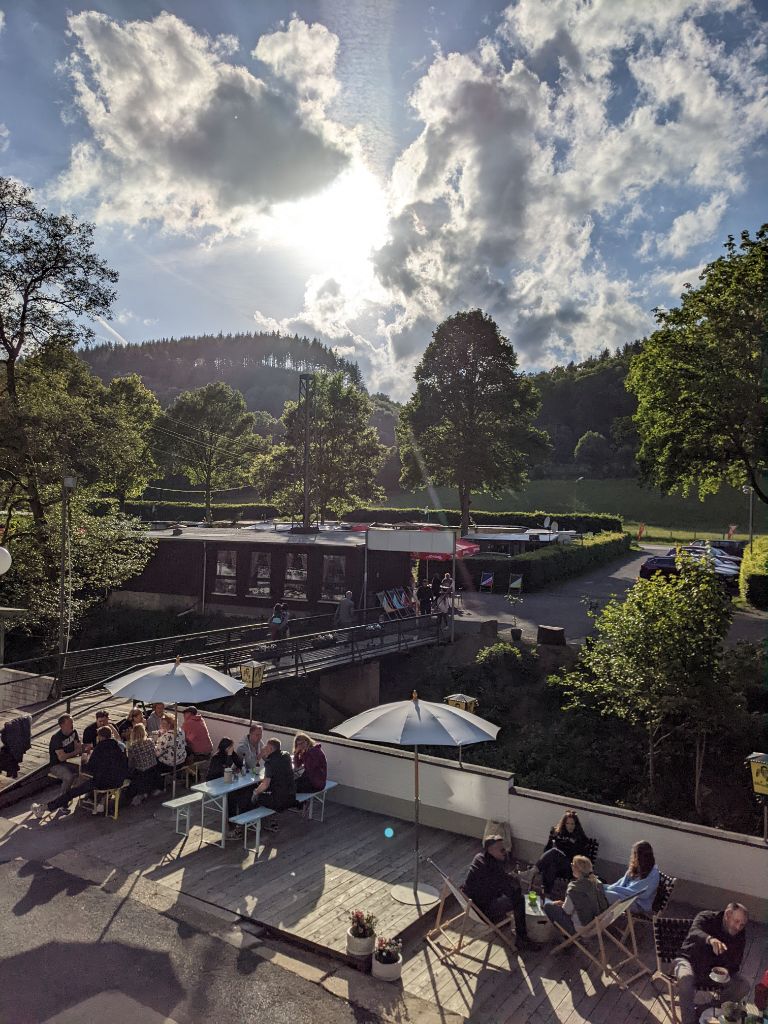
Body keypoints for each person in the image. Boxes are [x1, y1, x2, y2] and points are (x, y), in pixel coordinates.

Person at [673, 903, 749, 1024]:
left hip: (713, 973)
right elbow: (694, 932)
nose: (738, 927)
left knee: (743, 985)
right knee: (685, 980)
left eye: (742, 924)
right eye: (736, 921)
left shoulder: (740, 934)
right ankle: (689, 1022)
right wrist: (710, 939)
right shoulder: (706, 917)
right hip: (689, 961)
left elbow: (736, 963)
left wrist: (727, 967)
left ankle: (705, 1010)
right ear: (727, 915)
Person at [35, 727, 128, 817]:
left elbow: (89, 768)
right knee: (90, 781)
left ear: (100, 737)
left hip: (102, 783)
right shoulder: (120, 746)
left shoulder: (99, 748)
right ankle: (95, 801)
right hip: (119, 781)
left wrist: (84, 760)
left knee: (74, 791)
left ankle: (46, 807)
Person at [462, 835, 533, 950]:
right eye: (502, 850)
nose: (505, 852)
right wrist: (516, 881)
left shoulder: (479, 857)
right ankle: (522, 939)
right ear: (491, 850)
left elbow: (496, 880)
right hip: (481, 910)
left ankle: (498, 917)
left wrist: (508, 878)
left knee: (504, 889)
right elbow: (511, 890)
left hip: (468, 902)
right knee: (519, 900)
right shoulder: (493, 869)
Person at [543, 855, 607, 935]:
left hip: (579, 929)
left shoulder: (575, 888)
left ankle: (563, 934)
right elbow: (585, 904)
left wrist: (557, 904)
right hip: (594, 925)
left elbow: (567, 911)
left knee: (548, 906)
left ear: (577, 869)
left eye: (572, 864)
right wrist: (564, 904)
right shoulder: (597, 883)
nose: (571, 866)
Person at [535, 810, 592, 897]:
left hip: (570, 867)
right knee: (552, 866)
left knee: (555, 851)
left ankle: (533, 871)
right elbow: (547, 849)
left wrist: (571, 845)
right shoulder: (558, 835)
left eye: (572, 824)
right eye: (567, 823)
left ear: (576, 824)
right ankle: (546, 894)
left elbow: (581, 857)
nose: (570, 826)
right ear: (564, 824)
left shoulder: (580, 838)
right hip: (557, 865)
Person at [250, 738, 297, 829]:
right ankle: (270, 820)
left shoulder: (270, 763)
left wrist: (255, 792)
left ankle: (257, 823)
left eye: (267, 747)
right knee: (266, 792)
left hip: (280, 801)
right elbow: (274, 763)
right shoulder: (286, 755)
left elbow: (265, 784)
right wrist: (264, 754)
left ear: (271, 749)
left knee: (255, 797)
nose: (264, 748)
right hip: (291, 796)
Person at [604, 840, 660, 913]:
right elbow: (619, 884)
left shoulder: (653, 874)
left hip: (638, 904)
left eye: (635, 855)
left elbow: (642, 894)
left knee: (605, 895)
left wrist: (615, 889)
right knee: (598, 889)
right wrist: (604, 887)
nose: (633, 857)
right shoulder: (635, 868)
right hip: (625, 896)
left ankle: (595, 916)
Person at [125, 724, 162, 806]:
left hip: (142, 772)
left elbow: (131, 764)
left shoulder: (132, 747)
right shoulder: (150, 741)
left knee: (131, 773)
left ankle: (138, 794)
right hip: (153, 768)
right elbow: (155, 754)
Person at [47, 714, 82, 798]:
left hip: (71, 761)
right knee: (68, 777)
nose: (72, 725)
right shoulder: (56, 738)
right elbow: (61, 757)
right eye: (70, 723)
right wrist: (75, 752)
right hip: (57, 765)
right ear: (62, 725)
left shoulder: (73, 732)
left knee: (86, 772)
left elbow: (78, 747)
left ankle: (82, 795)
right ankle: (62, 799)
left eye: (72, 722)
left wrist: (77, 751)